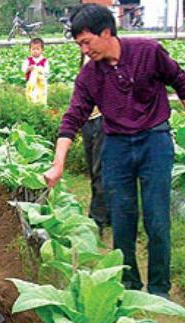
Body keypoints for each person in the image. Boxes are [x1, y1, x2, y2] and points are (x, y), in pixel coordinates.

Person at [43, 4, 185, 299]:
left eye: (87, 42)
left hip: (155, 142)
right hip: (115, 146)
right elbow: (72, 119)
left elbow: (182, 83)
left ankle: (159, 289)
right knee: (122, 220)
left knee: (157, 219)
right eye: (80, 45)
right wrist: (58, 163)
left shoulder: (147, 52)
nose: (85, 50)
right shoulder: (89, 76)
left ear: (107, 32)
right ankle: (129, 286)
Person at [80, 53, 110, 235]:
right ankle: (107, 214)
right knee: (93, 168)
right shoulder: (85, 57)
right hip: (88, 119)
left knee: (99, 169)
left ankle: (97, 219)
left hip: (102, 119)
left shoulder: (103, 57)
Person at [22, 37, 49, 105]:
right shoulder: (28, 60)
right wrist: (29, 68)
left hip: (41, 84)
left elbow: (46, 72)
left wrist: (40, 70)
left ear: (42, 50)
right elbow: (24, 70)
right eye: (33, 49)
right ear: (30, 50)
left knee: (41, 96)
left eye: (37, 49)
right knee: (31, 95)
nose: (35, 51)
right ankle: (32, 106)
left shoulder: (45, 61)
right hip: (31, 83)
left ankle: (42, 106)